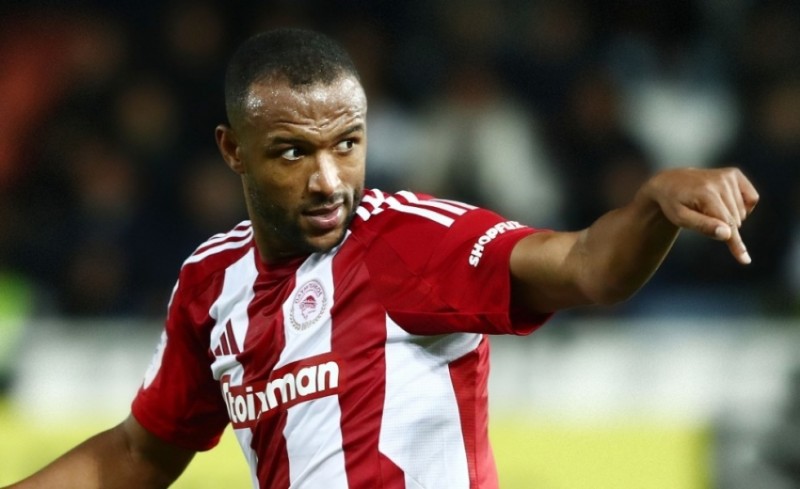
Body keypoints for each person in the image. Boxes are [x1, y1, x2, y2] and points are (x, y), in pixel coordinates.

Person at [4, 27, 759, 489]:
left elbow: (588, 267)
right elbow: (137, 455)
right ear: (233, 151)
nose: (329, 179)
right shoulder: (211, 282)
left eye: (347, 144)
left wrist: (652, 203)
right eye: (293, 152)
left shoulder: (409, 240)